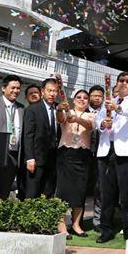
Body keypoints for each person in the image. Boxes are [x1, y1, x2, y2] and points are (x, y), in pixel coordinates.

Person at [95, 71, 128, 242]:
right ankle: (106, 230)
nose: (124, 83)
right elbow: (98, 120)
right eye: (121, 80)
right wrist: (103, 123)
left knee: (126, 194)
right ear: (116, 83)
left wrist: (117, 108)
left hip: (126, 152)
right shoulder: (109, 101)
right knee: (106, 194)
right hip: (106, 150)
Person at [55, 89, 94, 238]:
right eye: (79, 97)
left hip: (83, 155)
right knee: (63, 191)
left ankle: (76, 225)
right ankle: (61, 225)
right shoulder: (67, 111)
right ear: (74, 99)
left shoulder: (91, 115)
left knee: (80, 191)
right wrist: (60, 109)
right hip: (66, 154)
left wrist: (77, 119)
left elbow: (90, 126)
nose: (82, 100)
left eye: (85, 98)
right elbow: (60, 120)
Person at [23, 78, 61, 198]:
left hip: (54, 159)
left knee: (49, 193)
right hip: (37, 158)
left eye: (55, 91)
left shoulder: (60, 109)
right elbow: (28, 135)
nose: (52, 94)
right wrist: (30, 158)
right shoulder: (32, 109)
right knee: (32, 193)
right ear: (42, 91)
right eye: (49, 90)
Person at [87, 85, 105, 232]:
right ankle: (76, 220)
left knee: (100, 188)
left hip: (101, 154)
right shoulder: (82, 110)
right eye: (94, 95)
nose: (97, 98)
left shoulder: (106, 112)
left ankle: (98, 221)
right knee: (82, 188)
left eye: (100, 96)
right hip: (84, 154)